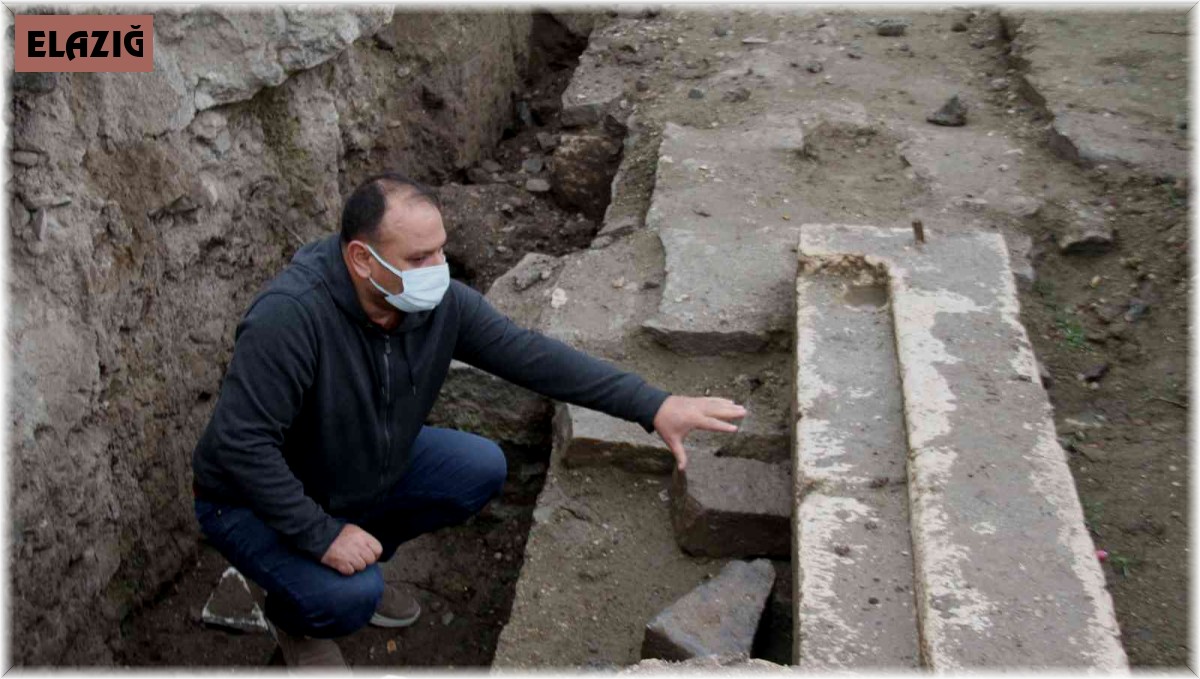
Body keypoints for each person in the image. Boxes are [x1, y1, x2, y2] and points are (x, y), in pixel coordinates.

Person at [190, 171, 747, 668]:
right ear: (362, 259)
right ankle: (300, 616)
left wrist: (654, 405)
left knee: (477, 467)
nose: (438, 270)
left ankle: (356, 560)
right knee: (348, 600)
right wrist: (322, 535)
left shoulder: (436, 305)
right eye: (417, 259)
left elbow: (533, 356)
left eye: (440, 252)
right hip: (246, 496)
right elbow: (242, 447)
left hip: (353, 464)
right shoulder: (290, 318)